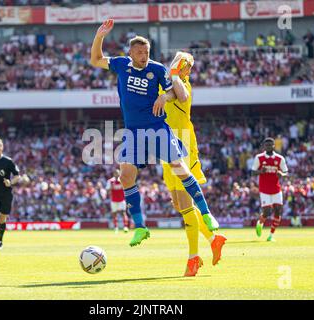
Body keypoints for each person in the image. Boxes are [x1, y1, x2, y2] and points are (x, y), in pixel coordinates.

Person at [90, 19, 219, 247]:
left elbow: (176, 94)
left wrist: (164, 96)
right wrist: (100, 36)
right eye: (139, 52)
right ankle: (140, 227)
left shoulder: (157, 69)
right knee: (125, 175)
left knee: (181, 169)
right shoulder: (121, 65)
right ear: (131, 52)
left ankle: (207, 213)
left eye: (146, 51)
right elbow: (95, 60)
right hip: (133, 132)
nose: (144, 55)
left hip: (158, 129)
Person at [161, 51, 227, 276]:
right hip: (164, 144)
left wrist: (174, 73)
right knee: (179, 205)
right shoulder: (166, 81)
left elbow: (182, 96)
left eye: (185, 66)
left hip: (182, 144)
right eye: (183, 65)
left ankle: (193, 259)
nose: (185, 68)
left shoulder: (183, 84)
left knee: (186, 204)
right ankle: (213, 239)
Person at [0, 139, 27, 249]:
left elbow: (17, 176)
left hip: (6, 193)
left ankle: (0, 241)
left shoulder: (8, 161)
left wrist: (10, 182)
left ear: (2, 148)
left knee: (3, 219)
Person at [251, 138, 289, 242]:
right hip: (264, 189)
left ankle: (271, 235)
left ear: (274, 146)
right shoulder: (259, 158)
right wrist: (260, 172)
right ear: (264, 146)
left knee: (278, 211)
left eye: (270, 145)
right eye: (266, 145)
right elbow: (252, 172)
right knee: (267, 211)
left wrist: (282, 174)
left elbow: (286, 172)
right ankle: (260, 223)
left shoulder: (280, 158)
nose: (268, 147)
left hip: (276, 188)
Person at [106, 169, 129, 234]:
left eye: (118, 173)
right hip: (114, 200)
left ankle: (125, 227)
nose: (117, 174)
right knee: (114, 214)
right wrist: (111, 187)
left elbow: (127, 188)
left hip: (122, 200)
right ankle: (116, 228)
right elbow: (107, 191)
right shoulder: (110, 181)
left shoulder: (123, 180)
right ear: (114, 174)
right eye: (115, 173)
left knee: (123, 213)